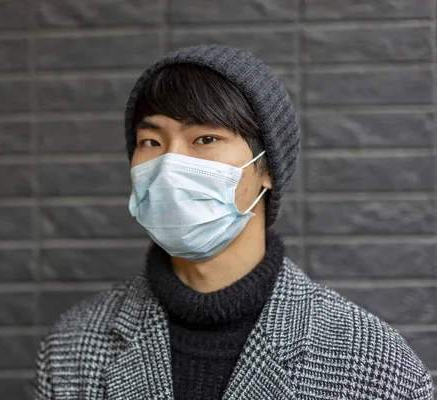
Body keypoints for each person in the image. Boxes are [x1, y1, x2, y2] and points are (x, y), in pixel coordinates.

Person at [33, 45, 434, 399]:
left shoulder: (368, 361)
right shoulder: (72, 347)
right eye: (151, 142)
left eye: (205, 139)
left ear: (267, 168)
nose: (170, 165)